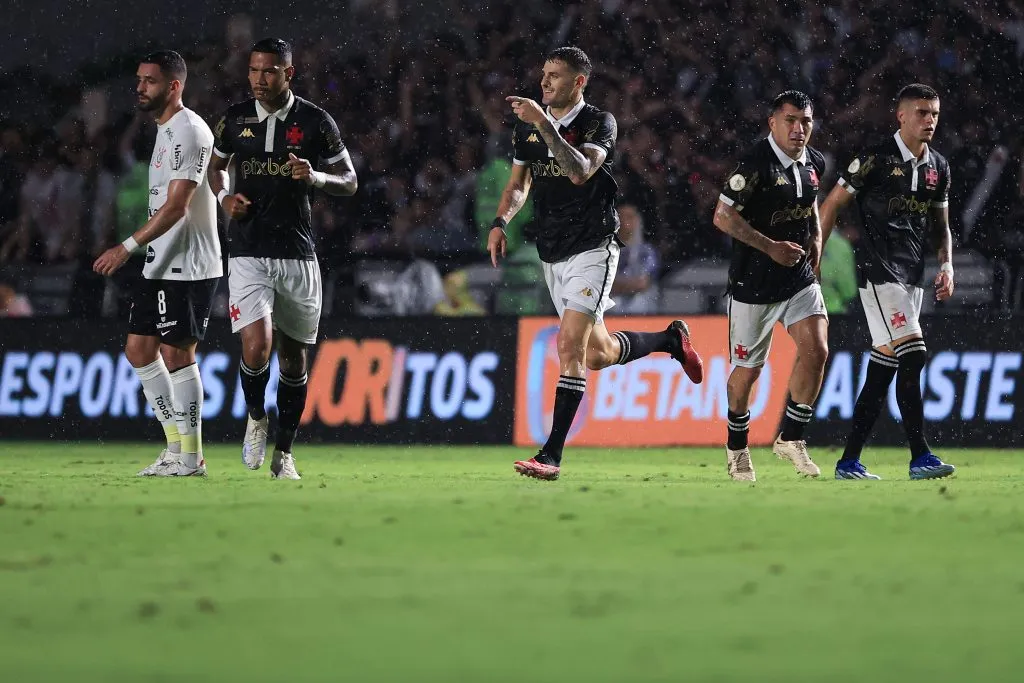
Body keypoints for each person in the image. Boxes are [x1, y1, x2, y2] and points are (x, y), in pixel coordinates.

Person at [488, 46, 703, 481]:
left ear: (579, 82)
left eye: (555, 76)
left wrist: (545, 126)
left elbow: (580, 170)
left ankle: (550, 456)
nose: (545, 82)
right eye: (543, 74)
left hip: (593, 247)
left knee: (568, 347)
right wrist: (500, 221)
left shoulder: (598, 122)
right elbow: (518, 184)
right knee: (597, 354)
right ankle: (669, 341)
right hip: (553, 250)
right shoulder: (528, 129)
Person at [208, 38, 357, 480]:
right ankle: (256, 416)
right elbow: (216, 167)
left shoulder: (315, 121)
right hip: (249, 250)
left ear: (288, 73)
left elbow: (349, 180)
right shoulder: (235, 119)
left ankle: (285, 453)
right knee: (257, 346)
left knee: (294, 361)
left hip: (297, 253)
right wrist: (223, 197)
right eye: (254, 70)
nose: (259, 79)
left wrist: (316, 176)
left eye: (269, 71)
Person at [93, 50, 220, 477]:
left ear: (174, 86)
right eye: (139, 79)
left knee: (178, 353)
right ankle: (173, 446)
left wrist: (124, 247)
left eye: (149, 80)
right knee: (139, 349)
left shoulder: (189, 131)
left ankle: (192, 457)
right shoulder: (164, 131)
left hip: (188, 261)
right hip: (159, 261)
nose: (140, 88)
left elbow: (177, 208)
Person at [819, 83, 956, 481]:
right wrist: (815, 260)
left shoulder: (939, 168)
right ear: (901, 116)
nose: (929, 120)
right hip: (878, 273)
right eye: (921, 112)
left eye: (934, 113)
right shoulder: (874, 159)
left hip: (912, 276)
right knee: (914, 355)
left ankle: (848, 461)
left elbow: (941, 225)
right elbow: (829, 207)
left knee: (882, 369)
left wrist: (946, 265)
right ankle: (920, 456)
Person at [712, 90, 829, 482]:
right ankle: (737, 448)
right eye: (791, 121)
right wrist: (769, 246)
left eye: (806, 122)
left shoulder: (814, 162)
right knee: (748, 372)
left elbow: (810, 198)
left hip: (797, 279)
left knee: (817, 350)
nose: (799, 129)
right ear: (773, 123)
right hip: (753, 284)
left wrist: (815, 237)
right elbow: (722, 216)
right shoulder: (754, 164)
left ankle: (791, 438)